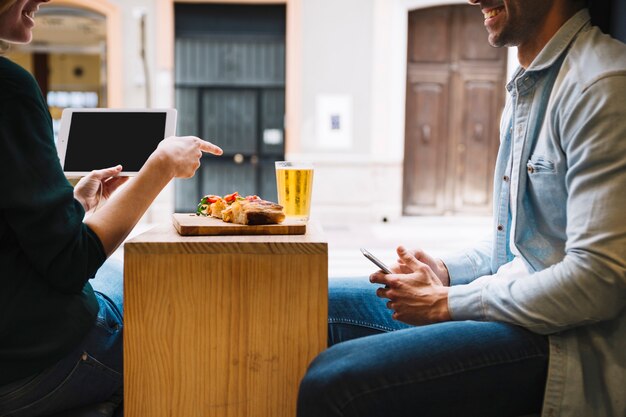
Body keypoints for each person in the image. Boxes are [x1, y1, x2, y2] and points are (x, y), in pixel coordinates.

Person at [297, 0, 626, 416]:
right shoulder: (531, 84)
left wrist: (445, 302)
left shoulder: (601, 85)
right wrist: (444, 271)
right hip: (515, 313)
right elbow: (517, 244)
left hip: (566, 345)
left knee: (334, 383)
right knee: (311, 301)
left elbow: (597, 283)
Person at [0, 0, 223, 416]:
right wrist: (159, 167)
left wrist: (73, 206)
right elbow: (71, 262)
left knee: (120, 276)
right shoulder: (10, 87)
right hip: (32, 365)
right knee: (186, 334)